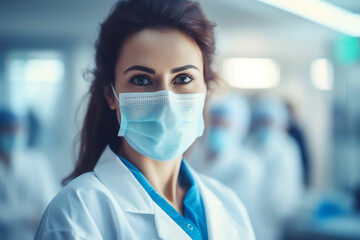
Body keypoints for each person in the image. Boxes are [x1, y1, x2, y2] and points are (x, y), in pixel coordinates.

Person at [35, 0, 256, 239]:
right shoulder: (79, 211)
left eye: (182, 79)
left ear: (207, 88)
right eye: (141, 79)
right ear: (111, 93)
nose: (165, 102)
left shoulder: (229, 205)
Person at [187, 92, 265, 239]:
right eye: (215, 123)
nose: (218, 129)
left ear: (238, 128)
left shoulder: (247, 165)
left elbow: (234, 208)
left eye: (224, 125)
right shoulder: (195, 157)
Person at [247, 97, 303, 240]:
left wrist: (283, 209)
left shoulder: (287, 147)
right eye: (263, 121)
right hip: (251, 212)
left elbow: (291, 184)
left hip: (274, 216)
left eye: (270, 122)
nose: (266, 126)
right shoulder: (250, 144)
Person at [0, 108, 58, 240]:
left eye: (17, 129)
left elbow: (49, 204)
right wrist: (27, 216)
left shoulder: (37, 162)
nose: (13, 134)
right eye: (8, 129)